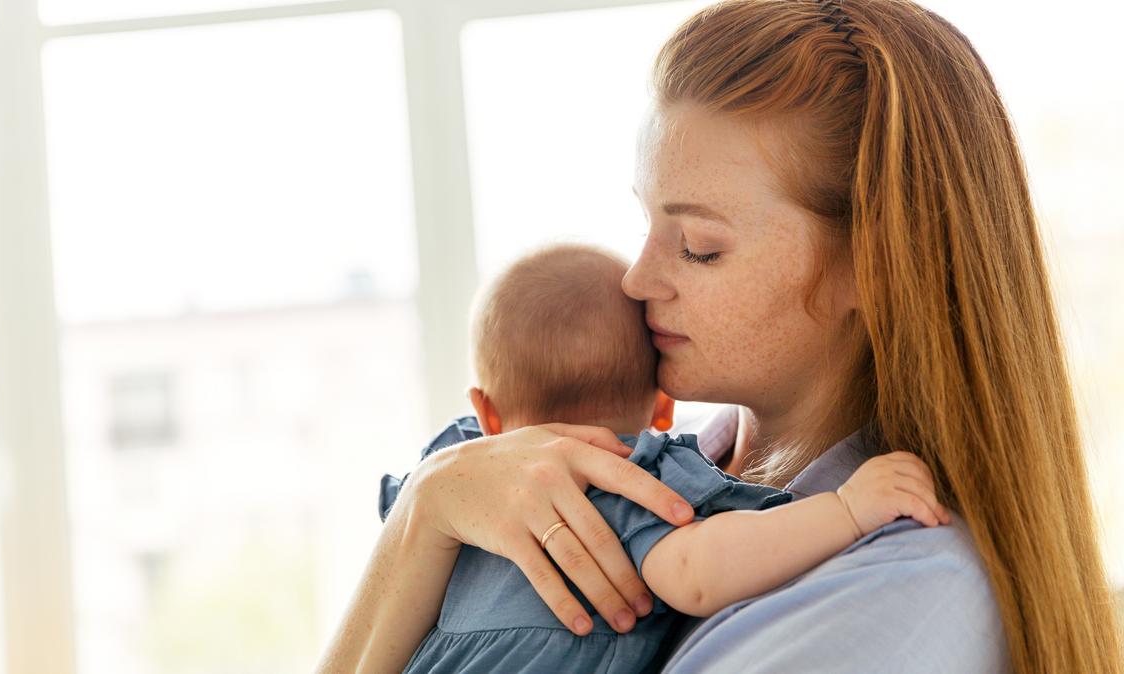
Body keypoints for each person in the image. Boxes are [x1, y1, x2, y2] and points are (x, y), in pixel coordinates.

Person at [318, 1, 1122, 672]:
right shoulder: (654, 466)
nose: (636, 280)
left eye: (699, 246)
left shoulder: (896, 590)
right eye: (646, 222)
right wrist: (426, 510)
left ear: (874, 267)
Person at [376, 243, 949, 672]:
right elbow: (698, 575)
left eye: (700, 249)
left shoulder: (454, 467)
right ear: (663, 406)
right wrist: (846, 509)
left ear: (486, 412)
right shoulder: (630, 483)